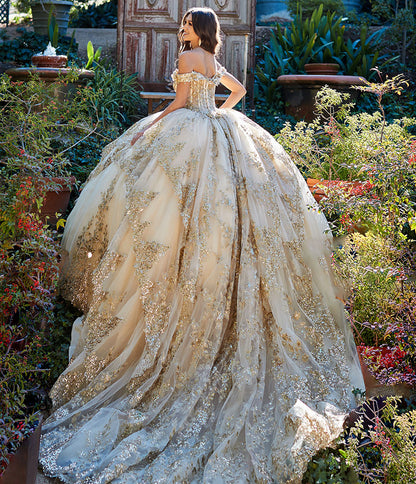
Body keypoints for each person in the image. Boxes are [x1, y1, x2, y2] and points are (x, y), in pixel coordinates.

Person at [39, 7, 364, 483]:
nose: (182, 31)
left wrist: (152, 126)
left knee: (162, 205)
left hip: (189, 130)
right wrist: (220, 116)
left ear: (198, 31)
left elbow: (175, 106)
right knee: (217, 218)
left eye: (187, 25)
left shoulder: (191, 58)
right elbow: (239, 92)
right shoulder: (215, 58)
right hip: (219, 130)